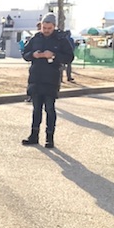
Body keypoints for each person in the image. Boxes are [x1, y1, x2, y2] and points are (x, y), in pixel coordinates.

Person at [21, 13, 74, 149]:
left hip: (51, 79)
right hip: (36, 78)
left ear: (54, 27)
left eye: (49, 28)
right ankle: (34, 135)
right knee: (36, 109)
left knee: (49, 108)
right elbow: (25, 54)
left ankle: (49, 138)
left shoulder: (61, 39)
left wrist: (54, 55)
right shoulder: (36, 38)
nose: (46, 31)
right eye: (44, 27)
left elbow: (69, 57)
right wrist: (33, 55)